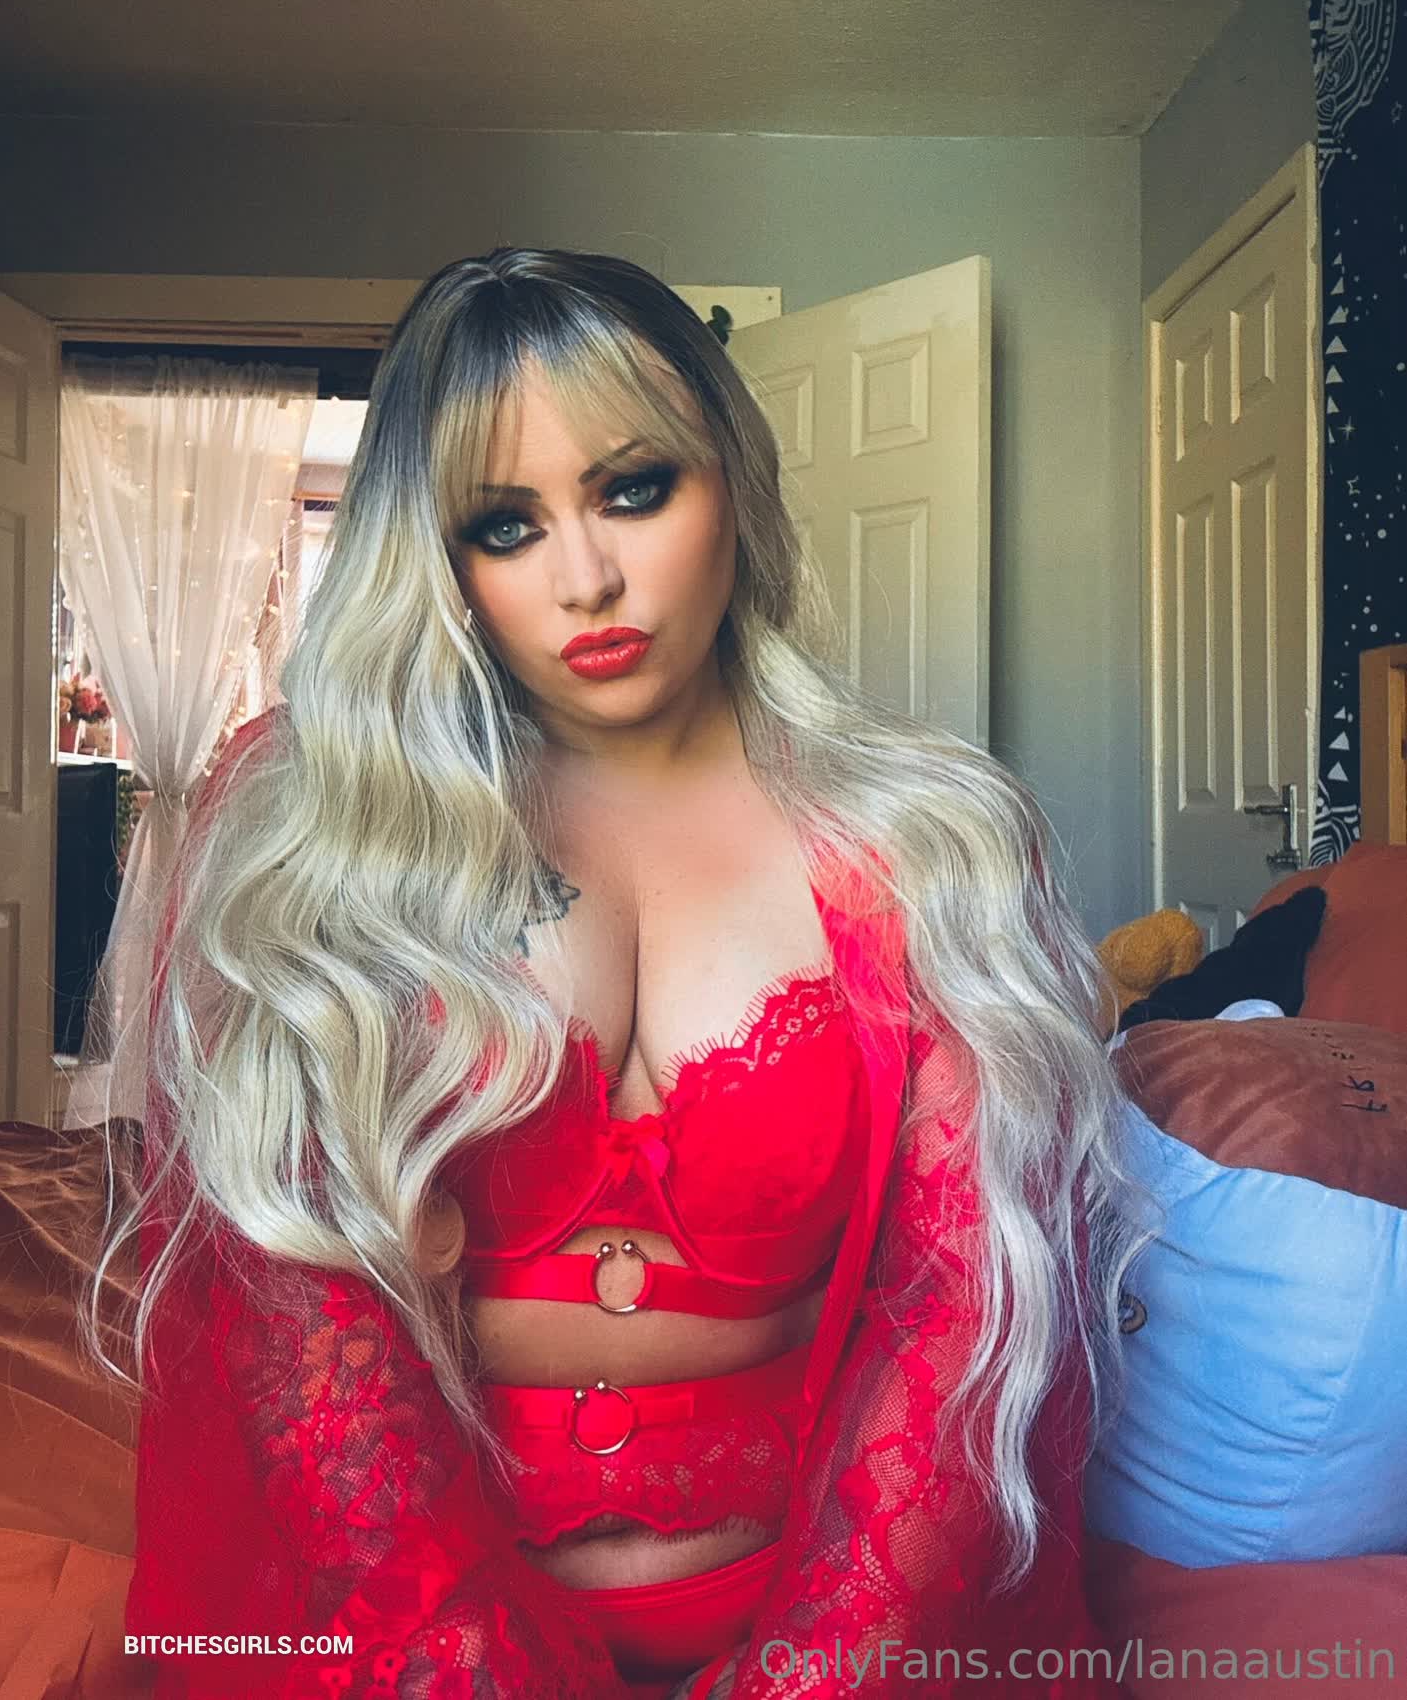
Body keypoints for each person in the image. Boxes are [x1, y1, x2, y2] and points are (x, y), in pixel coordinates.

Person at [99, 249, 1146, 1698]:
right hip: (409, 1645)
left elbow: (962, 1322)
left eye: (635, 489)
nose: (585, 578)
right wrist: (462, 1672)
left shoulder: (929, 841)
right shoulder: (310, 828)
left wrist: (810, 1679)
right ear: (436, 556)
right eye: (505, 524)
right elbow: (299, 1334)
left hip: (830, 1633)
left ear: (733, 479)